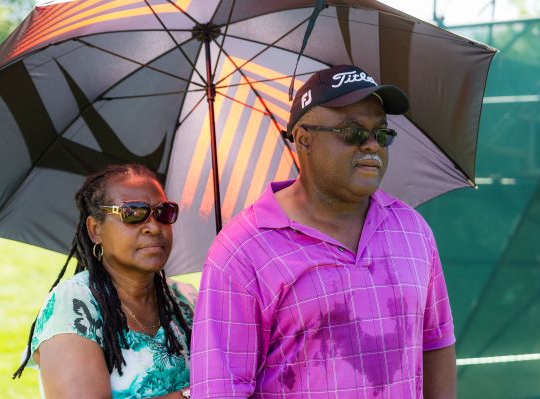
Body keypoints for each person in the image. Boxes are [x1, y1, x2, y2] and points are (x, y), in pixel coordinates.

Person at [190, 65, 456, 398]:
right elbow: (221, 388)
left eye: (381, 133)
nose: (372, 145)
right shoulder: (243, 249)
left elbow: (436, 343)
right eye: (353, 132)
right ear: (304, 140)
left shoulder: (413, 230)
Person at [14, 163, 195, 399]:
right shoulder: (73, 308)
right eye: (133, 213)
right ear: (95, 229)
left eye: (164, 212)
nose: (153, 226)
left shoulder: (187, 299)